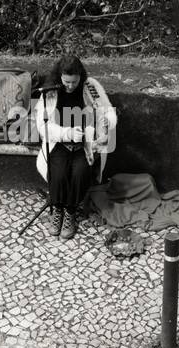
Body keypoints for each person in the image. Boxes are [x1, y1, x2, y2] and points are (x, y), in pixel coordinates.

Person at [33, 54, 117, 240]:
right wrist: (68, 134)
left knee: (80, 172)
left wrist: (103, 131)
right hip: (59, 142)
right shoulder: (50, 91)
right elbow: (42, 127)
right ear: (59, 77)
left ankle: (70, 212)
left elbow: (108, 113)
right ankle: (57, 210)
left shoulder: (90, 87)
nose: (70, 86)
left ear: (81, 76)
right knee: (59, 172)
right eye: (66, 82)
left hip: (85, 143)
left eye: (74, 81)